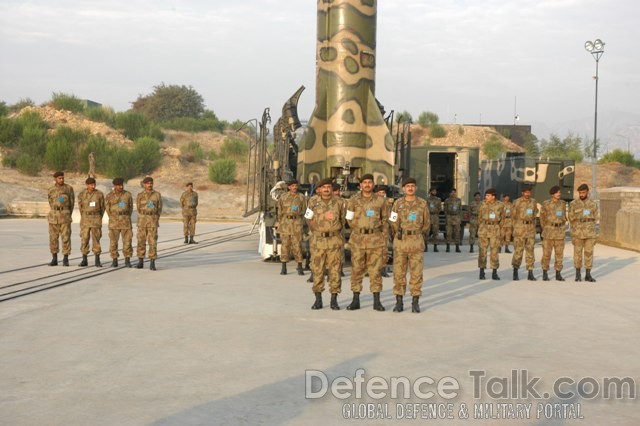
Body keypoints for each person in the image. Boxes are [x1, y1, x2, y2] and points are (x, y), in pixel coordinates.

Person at [345, 174, 390, 311]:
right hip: (358, 239)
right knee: (357, 270)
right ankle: (355, 299)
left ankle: (377, 301)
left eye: (369, 182)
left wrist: (383, 237)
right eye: (364, 182)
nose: (367, 185)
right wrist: (357, 228)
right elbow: (348, 218)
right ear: (360, 185)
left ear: (373, 184)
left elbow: (386, 219)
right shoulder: (353, 200)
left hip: (375, 240)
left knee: (375, 271)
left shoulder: (381, 201)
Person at [389, 177, 430, 313]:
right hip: (401, 242)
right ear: (403, 189)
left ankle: (415, 302)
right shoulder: (397, 204)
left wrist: (417, 233)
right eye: (407, 186)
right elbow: (393, 221)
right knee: (399, 273)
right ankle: (399, 302)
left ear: (416, 188)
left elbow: (426, 223)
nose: (410, 188)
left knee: (416, 273)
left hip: (416, 242)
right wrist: (400, 232)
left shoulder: (422, 204)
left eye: (412, 186)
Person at [305, 178, 345, 310]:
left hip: (334, 240)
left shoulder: (340, 202)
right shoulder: (313, 201)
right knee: (317, 270)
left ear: (332, 189)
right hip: (318, 241)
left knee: (335, 270)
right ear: (319, 189)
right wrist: (316, 231)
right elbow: (308, 218)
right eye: (324, 187)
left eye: (329, 187)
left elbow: (344, 219)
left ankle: (334, 299)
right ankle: (318, 299)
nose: (326, 189)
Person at [568, 183, 598, 282]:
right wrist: (573, 232)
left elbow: (596, 218)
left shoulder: (593, 204)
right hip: (578, 232)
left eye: (583, 192)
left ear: (587, 192)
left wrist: (595, 232)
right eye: (580, 193)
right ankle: (578, 274)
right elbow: (571, 218)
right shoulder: (573, 204)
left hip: (590, 232)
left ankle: (588, 275)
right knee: (577, 254)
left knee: (589, 253)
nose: (581, 194)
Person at [276, 179, 307, 275]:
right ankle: (284, 266)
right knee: (285, 246)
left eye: (296, 185)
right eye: (292, 186)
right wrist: (280, 223)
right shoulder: (283, 197)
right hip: (285, 224)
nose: (295, 187)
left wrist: (302, 223)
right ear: (289, 187)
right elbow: (280, 211)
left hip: (297, 223)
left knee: (297, 245)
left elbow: (305, 211)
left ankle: (299, 266)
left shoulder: (301, 197)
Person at [47, 171, 74, 266]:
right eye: (59, 178)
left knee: (66, 237)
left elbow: (72, 203)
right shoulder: (51, 189)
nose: (61, 180)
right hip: (53, 216)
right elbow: (50, 201)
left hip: (65, 216)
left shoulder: (69, 188)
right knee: (53, 238)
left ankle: (65, 258)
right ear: (55, 179)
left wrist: (67, 213)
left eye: (62, 178)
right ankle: (54, 258)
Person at [105, 177, 134, 268]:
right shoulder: (109, 196)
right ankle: (114, 260)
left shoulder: (128, 195)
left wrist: (124, 215)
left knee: (127, 241)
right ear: (114, 186)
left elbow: (130, 208)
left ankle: (127, 260)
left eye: (121, 185)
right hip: (114, 221)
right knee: (113, 242)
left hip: (125, 221)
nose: (120, 187)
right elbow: (107, 209)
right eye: (118, 185)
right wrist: (114, 216)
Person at [540, 186, 567, 281]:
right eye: (557, 192)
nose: (559, 194)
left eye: (559, 192)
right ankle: (545, 272)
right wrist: (546, 227)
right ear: (552, 194)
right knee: (546, 254)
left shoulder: (563, 204)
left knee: (559, 254)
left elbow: (565, 216)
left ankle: (558, 273)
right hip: (549, 232)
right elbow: (542, 218)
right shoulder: (546, 204)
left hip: (559, 231)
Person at [511, 186, 538, 281]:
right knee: (518, 251)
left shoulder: (533, 202)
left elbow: (535, 215)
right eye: (526, 192)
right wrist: (515, 228)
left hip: (530, 229)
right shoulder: (516, 202)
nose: (528, 194)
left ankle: (530, 272)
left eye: (529, 192)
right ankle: (515, 271)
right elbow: (513, 216)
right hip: (520, 230)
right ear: (522, 193)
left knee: (530, 251)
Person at [77, 177, 105, 267]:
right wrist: (85, 215)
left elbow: (102, 208)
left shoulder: (99, 194)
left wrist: (98, 216)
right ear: (87, 185)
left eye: (94, 184)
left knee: (96, 239)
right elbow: (80, 207)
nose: (92, 186)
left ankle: (97, 259)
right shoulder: (82, 194)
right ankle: (84, 259)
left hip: (96, 219)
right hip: (85, 219)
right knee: (84, 239)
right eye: (91, 185)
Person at [136, 176, 163, 271]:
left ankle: (152, 262)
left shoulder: (157, 195)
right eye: (148, 183)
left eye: (151, 183)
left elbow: (159, 208)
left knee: (152, 242)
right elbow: (138, 208)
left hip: (152, 220)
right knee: (141, 241)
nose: (150, 185)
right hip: (142, 220)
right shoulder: (140, 195)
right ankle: (140, 261)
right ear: (144, 184)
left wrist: (155, 218)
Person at [477, 188, 504, 280]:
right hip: (484, 229)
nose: (486, 197)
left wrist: (499, 230)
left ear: (493, 196)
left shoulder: (500, 205)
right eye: (486, 195)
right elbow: (479, 217)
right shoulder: (482, 204)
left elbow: (502, 219)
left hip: (495, 230)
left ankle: (494, 272)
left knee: (494, 252)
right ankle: (481, 272)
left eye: (488, 195)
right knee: (482, 252)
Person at [375, 184, 392, 277]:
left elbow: (392, 215)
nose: (382, 194)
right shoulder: (373, 202)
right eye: (380, 192)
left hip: (385, 228)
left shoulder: (387, 203)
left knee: (385, 249)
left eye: (383, 192)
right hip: (375, 229)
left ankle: (383, 268)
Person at [444, 188, 462, 252]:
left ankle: (457, 247)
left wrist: (458, 217)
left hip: (456, 217)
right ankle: (448, 247)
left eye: (454, 192)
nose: (453, 193)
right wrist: (447, 216)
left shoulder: (459, 200)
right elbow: (445, 209)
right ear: (449, 193)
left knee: (457, 232)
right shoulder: (447, 200)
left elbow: (460, 209)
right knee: (449, 232)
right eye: (451, 192)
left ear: (456, 193)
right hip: (449, 217)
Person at [426, 188, 442, 252]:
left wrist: (435, 211)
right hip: (428, 217)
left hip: (435, 217)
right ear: (430, 192)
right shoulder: (427, 200)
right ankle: (425, 246)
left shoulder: (438, 200)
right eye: (433, 191)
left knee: (435, 232)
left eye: (435, 191)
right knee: (426, 233)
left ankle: (435, 246)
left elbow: (439, 208)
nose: (434, 192)